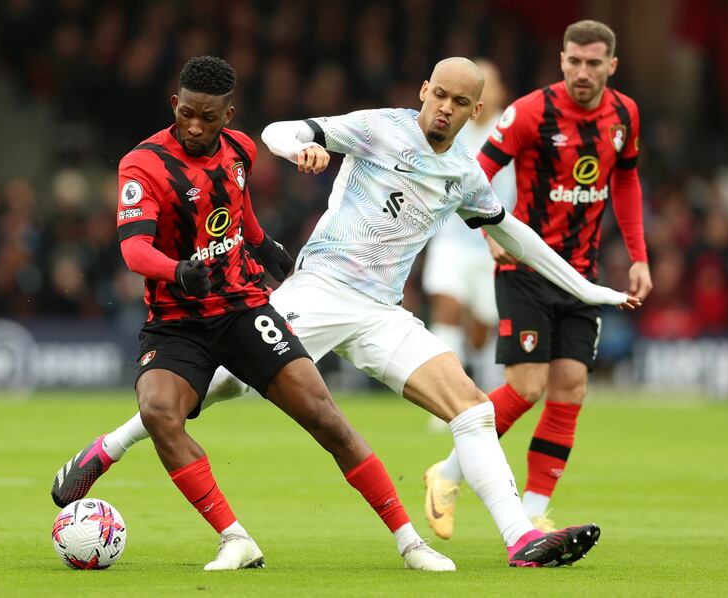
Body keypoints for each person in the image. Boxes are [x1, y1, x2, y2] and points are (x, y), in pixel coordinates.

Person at [53, 56, 640, 568]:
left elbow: (513, 234)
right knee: (224, 385)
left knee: (472, 409)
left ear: (475, 110)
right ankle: (109, 446)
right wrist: (303, 148)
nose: (444, 108)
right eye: (438, 94)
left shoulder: (464, 172)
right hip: (320, 289)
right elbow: (280, 130)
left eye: (460, 102)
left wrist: (589, 290)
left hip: (383, 313)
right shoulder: (379, 128)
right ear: (423, 92)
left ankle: (520, 540)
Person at [53, 55, 458, 573]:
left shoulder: (242, 150)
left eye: (210, 117)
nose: (196, 126)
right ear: (174, 104)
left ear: (229, 113)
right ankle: (235, 538)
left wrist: (266, 248)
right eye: (188, 114)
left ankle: (411, 543)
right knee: (158, 411)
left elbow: (238, 213)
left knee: (325, 418)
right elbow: (135, 251)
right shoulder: (143, 164)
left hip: (246, 309)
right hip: (177, 321)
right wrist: (177, 271)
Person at [424, 20, 653, 539]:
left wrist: (638, 256)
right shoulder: (529, 111)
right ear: (562, 59)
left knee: (571, 386)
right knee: (526, 386)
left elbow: (628, 179)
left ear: (611, 66)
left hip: (582, 275)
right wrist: (486, 228)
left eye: (594, 63)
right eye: (574, 61)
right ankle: (448, 473)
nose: (582, 72)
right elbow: (476, 172)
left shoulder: (625, 115)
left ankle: (531, 510)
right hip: (526, 267)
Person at [421, 58, 515, 399]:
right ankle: (445, 396)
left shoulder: (513, 130)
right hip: (451, 239)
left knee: (482, 328)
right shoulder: (453, 127)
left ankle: (485, 395)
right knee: (446, 307)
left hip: (493, 244)